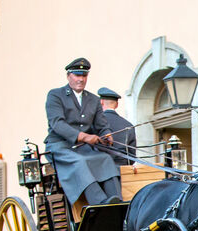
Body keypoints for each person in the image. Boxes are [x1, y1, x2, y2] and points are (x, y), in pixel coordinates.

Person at [45, 58, 122, 205]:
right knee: (79, 162)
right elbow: (57, 123)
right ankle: (100, 204)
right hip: (59, 147)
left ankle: (117, 202)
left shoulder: (93, 99)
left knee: (106, 159)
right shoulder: (55, 95)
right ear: (69, 76)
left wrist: (107, 134)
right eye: (77, 75)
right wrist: (83, 136)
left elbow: (102, 125)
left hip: (84, 149)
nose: (81, 79)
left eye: (84, 76)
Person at [97, 87, 136, 166]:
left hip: (101, 171)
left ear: (101, 102)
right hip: (121, 172)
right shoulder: (128, 125)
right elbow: (132, 156)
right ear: (117, 105)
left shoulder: (95, 122)